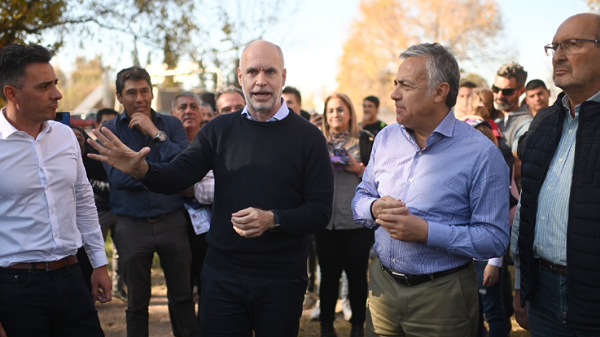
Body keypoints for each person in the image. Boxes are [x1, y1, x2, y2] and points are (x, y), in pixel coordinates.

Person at [88, 40, 334, 337]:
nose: (261, 81)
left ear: (283, 76)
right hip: (222, 276)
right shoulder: (218, 130)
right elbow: (177, 177)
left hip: (281, 278)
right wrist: (143, 170)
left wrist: (273, 219)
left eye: (270, 71)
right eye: (253, 71)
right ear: (240, 76)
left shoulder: (309, 138)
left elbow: (320, 212)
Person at [352, 43, 509, 337]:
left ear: (439, 92)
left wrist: (426, 232)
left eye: (406, 86)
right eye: (395, 84)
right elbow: (361, 198)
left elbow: (494, 239)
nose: (394, 94)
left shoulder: (482, 155)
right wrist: (373, 209)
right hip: (382, 290)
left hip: (443, 298)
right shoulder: (385, 139)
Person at [0, 43, 111, 336]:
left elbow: (84, 202)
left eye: (56, 84)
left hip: (72, 276)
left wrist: (99, 263)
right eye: (44, 86)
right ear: (12, 93)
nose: (57, 94)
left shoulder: (65, 136)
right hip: (15, 288)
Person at [512, 13, 600, 336]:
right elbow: (527, 207)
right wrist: (523, 283)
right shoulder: (543, 122)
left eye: (573, 44)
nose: (559, 55)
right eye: (555, 46)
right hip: (542, 294)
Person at [102, 66, 199, 337]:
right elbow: (119, 180)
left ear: (152, 92)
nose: (140, 98)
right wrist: (164, 172)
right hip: (131, 227)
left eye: (144, 90)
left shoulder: (171, 125)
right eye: (131, 92)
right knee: (137, 304)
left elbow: (184, 168)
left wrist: (155, 133)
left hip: (172, 222)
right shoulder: (109, 130)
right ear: (120, 97)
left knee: (182, 298)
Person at [317, 92, 373, 337]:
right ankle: (327, 326)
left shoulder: (365, 140)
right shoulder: (317, 141)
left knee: (358, 277)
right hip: (325, 224)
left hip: (357, 224)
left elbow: (380, 180)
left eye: (340, 109)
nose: (335, 115)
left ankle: (358, 326)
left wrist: (357, 168)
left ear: (350, 112)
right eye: (330, 110)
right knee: (328, 278)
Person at [170, 91, 213, 329]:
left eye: (194, 107)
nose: (189, 111)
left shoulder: (211, 141)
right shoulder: (165, 145)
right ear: (173, 114)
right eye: (183, 107)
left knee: (207, 284)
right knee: (180, 289)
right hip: (174, 222)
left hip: (207, 224)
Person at [95, 108, 127, 301]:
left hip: (121, 208)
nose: (110, 130)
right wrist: (108, 188)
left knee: (121, 252)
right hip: (99, 209)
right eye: (105, 125)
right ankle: (94, 288)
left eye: (113, 125)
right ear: (97, 126)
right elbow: (85, 181)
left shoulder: (123, 149)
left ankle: (118, 287)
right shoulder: (89, 149)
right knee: (95, 251)